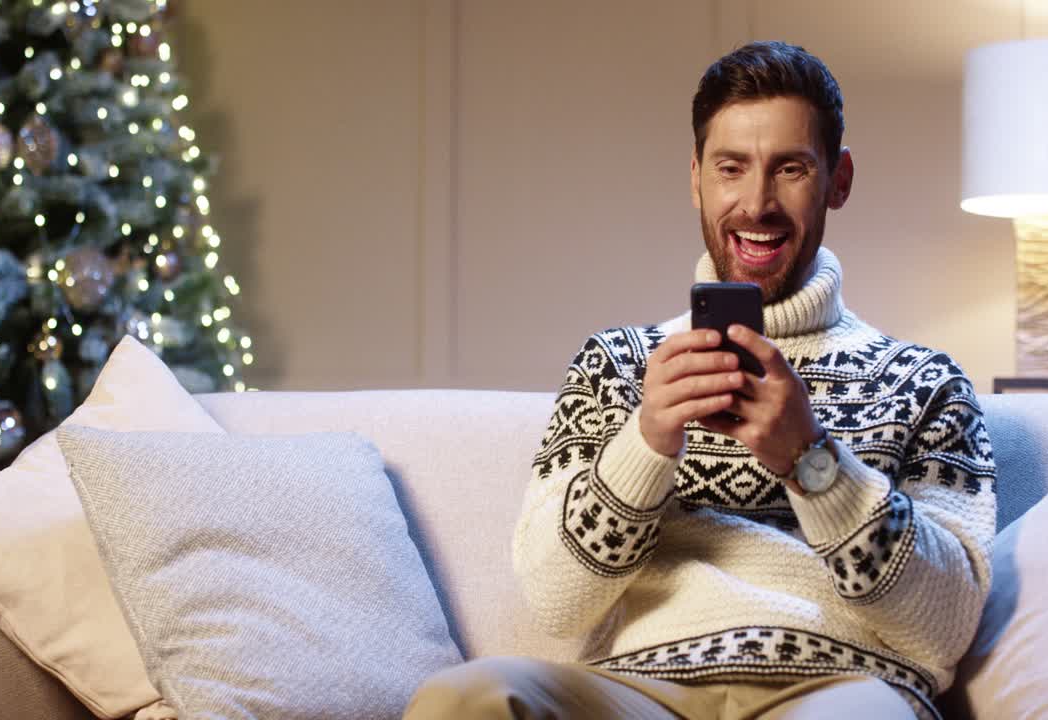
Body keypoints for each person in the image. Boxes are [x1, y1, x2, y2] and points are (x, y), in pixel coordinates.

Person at [404, 40, 996, 720]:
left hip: (836, 689)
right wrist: (647, 441)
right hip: (638, 691)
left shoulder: (925, 382)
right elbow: (554, 600)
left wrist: (813, 460)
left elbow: (946, 628)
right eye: (731, 168)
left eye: (791, 168)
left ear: (839, 179)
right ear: (696, 178)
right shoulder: (620, 365)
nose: (756, 203)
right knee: (462, 698)